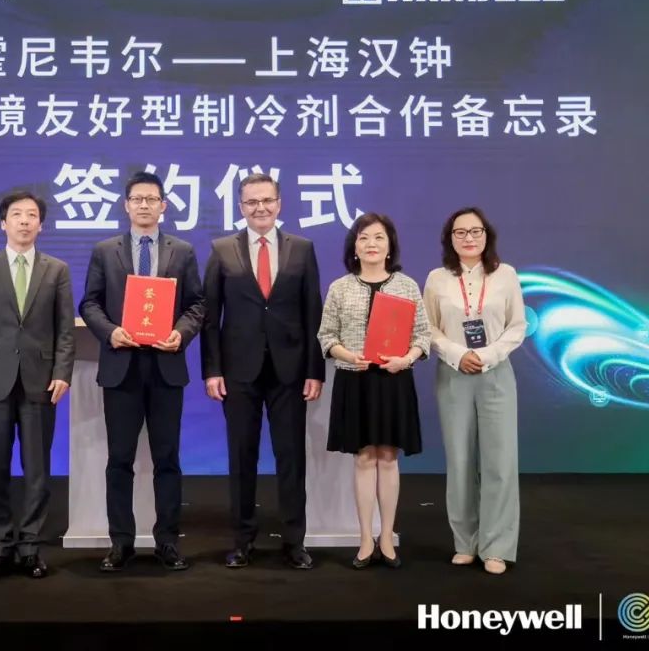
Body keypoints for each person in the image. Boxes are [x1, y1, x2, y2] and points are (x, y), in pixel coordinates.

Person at [78, 171, 205, 572]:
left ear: (163, 205)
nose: (145, 205)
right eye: (138, 199)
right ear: (126, 205)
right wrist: (110, 332)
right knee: (120, 459)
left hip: (166, 367)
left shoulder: (182, 251)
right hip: (122, 368)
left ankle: (167, 541)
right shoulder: (105, 250)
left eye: (152, 199)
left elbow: (197, 304)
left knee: (168, 459)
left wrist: (180, 333)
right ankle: (121, 543)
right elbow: (90, 303)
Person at [201, 173, 324, 570]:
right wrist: (212, 370)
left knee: (291, 458)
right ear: (241, 207)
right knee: (242, 457)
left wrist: (315, 370)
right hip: (239, 371)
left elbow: (313, 313)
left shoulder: (302, 249)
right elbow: (210, 317)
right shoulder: (222, 250)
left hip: (290, 370)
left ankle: (294, 542)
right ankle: (243, 541)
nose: (260, 208)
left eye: (267, 200)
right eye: (252, 202)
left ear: (279, 203)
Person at [0, 191, 75, 580]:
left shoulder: (57, 269)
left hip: (41, 381)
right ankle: (0, 544)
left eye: (32, 215)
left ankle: (30, 545)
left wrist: (62, 372)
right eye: (16, 214)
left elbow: (64, 329)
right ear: (3, 223)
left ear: (41, 225)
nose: (24, 221)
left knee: (37, 468)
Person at [316, 212, 430, 570]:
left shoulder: (407, 286)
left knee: (388, 457)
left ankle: (387, 537)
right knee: (364, 457)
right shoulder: (340, 287)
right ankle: (366, 538)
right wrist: (348, 355)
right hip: (355, 380)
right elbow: (326, 336)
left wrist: (406, 358)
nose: (371, 244)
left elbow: (423, 335)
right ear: (354, 247)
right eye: (363, 238)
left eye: (379, 237)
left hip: (393, 380)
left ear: (390, 245)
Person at [422, 207, 526, 575]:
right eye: (460, 232)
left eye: (475, 231)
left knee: (500, 461)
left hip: (496, 373)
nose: (469, 238)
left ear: (487, 235)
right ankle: (465, 542)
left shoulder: (505, 274)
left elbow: (517, 326)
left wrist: (486, 355)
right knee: (460, 460)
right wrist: (458, 354)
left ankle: (496, 546)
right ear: (450, 239)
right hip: (453, 374)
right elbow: (428, 328)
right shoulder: (437, 279)